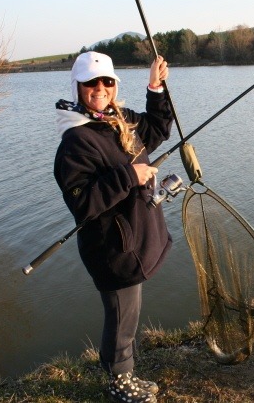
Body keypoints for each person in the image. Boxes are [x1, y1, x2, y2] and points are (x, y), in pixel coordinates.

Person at [53, 51, 173, 403]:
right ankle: (120, 383)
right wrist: (129, 175)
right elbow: (82, 202)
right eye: (91, 83)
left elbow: (157, 129)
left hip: (133, 236)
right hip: (112, 248)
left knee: (127, 313)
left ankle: (121, 369)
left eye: (107, 81)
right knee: (122, 316)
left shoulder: (118, 119)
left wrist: (155, 88)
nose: (100, 88)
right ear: (77, 87)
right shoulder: (74, 142)